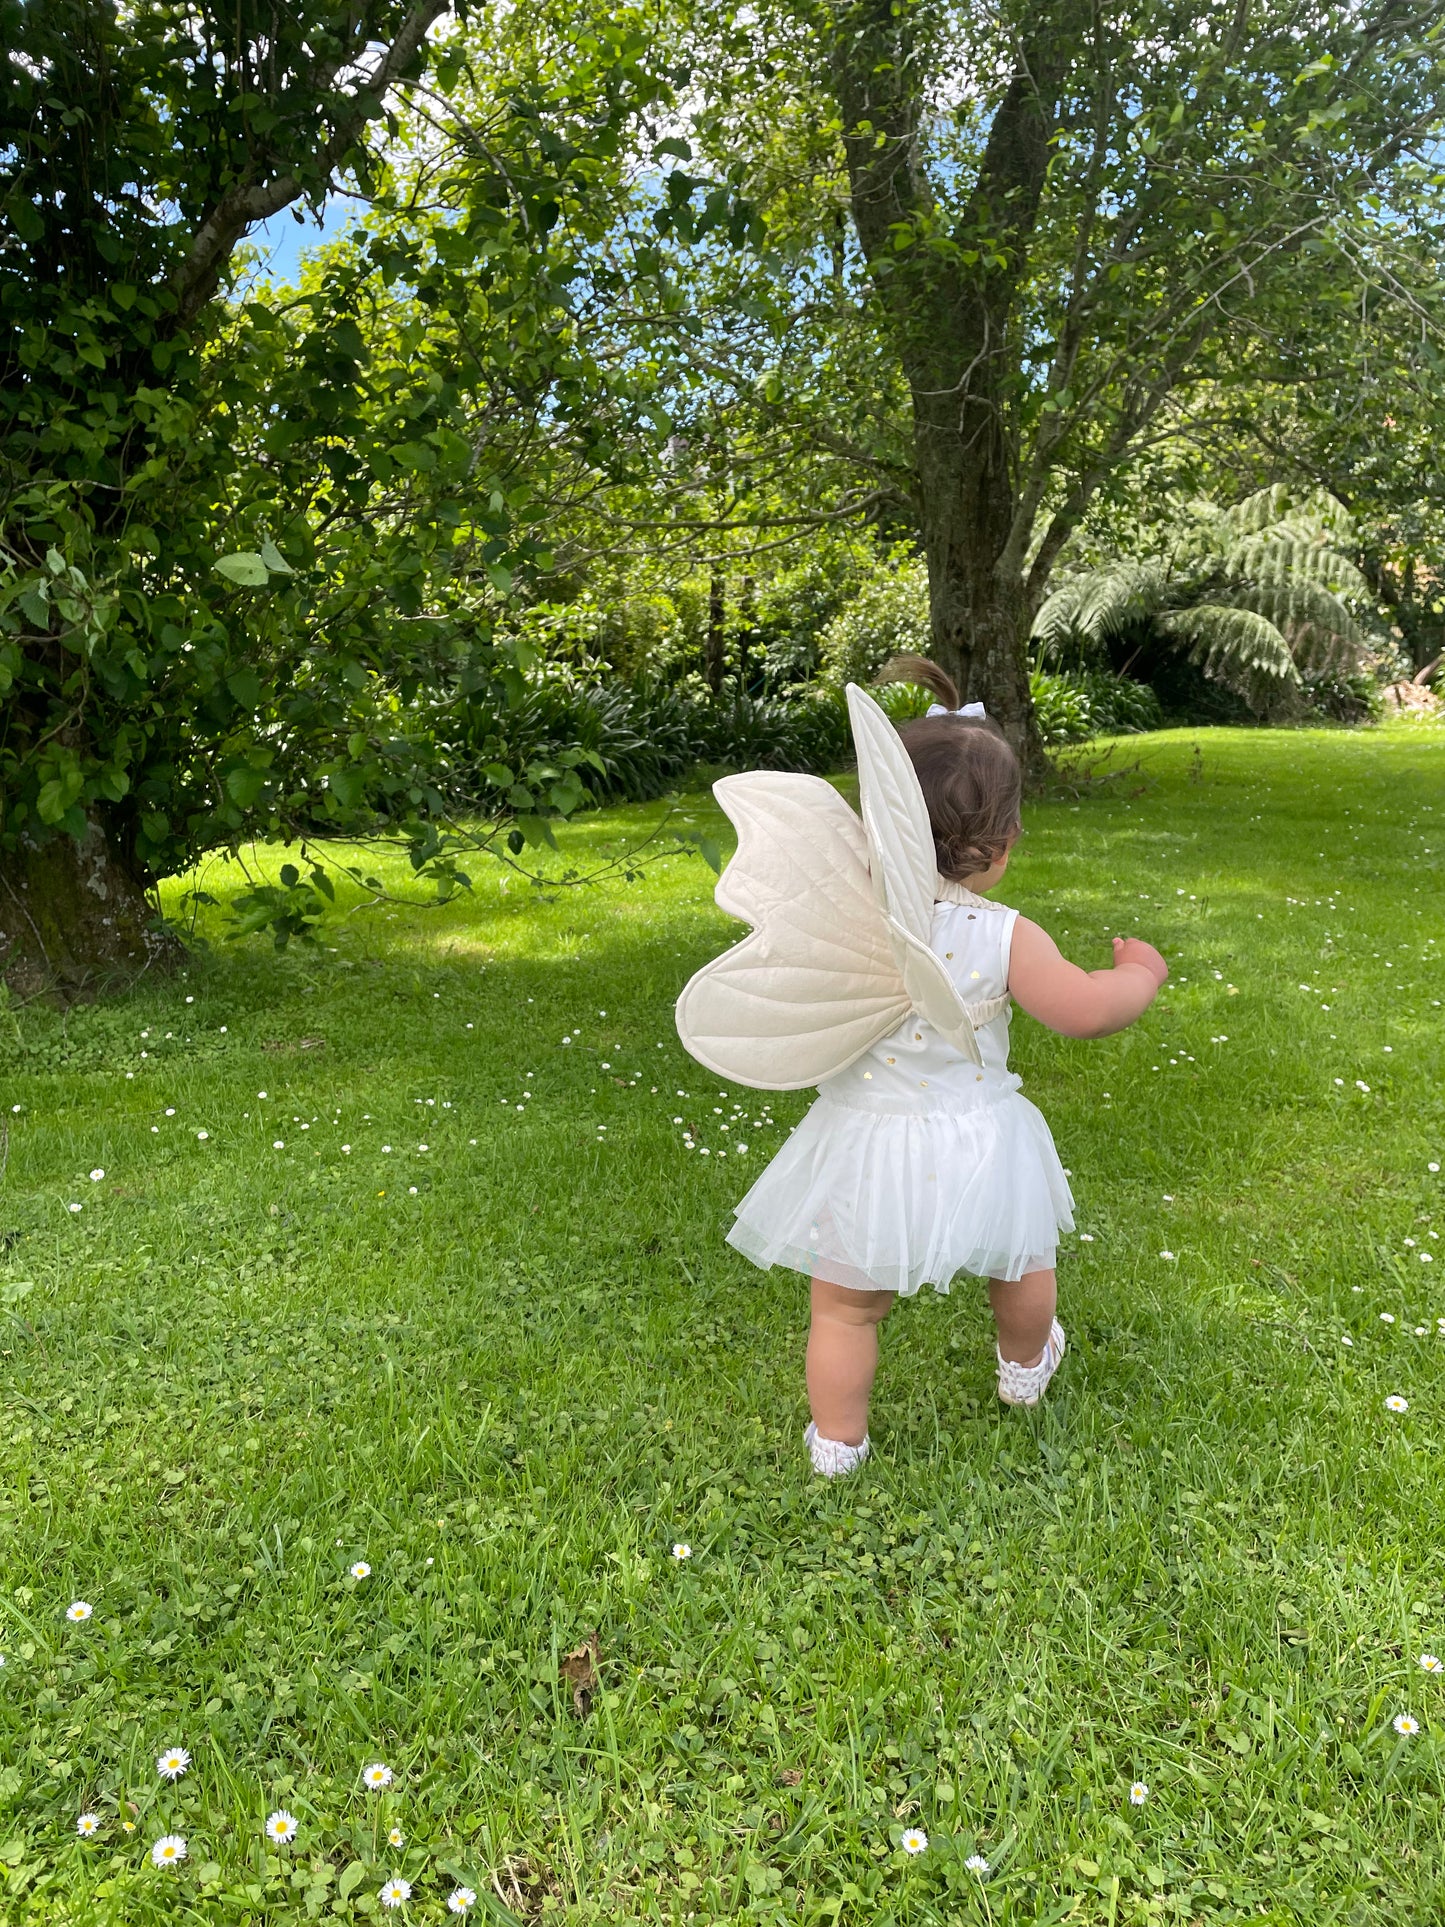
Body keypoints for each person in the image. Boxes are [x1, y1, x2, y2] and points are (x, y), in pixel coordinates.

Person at [705, 655, 1167, 1478]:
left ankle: (837, 1445)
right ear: (1003, 841)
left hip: (862, 1145)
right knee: (1020, 1259)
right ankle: (1023, 1371)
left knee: (844, 1309)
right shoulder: (1004, 934)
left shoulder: (846, 919)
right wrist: (1139, 973)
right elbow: (1083, 1011)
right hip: (979, 1139)